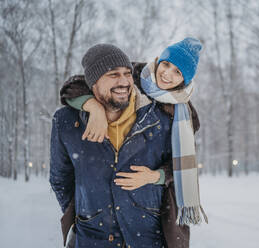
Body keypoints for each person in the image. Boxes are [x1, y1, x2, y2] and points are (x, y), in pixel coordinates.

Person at [59, 38, 208, 248]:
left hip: (152, 213)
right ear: (159, 60)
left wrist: (156, 176)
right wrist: (94, 108)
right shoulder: (134, 74)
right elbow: (73, 85)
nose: (167, 74)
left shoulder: (183, 114)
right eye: (166, 64)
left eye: (178, 72)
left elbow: (183, 165)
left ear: (185, 80)